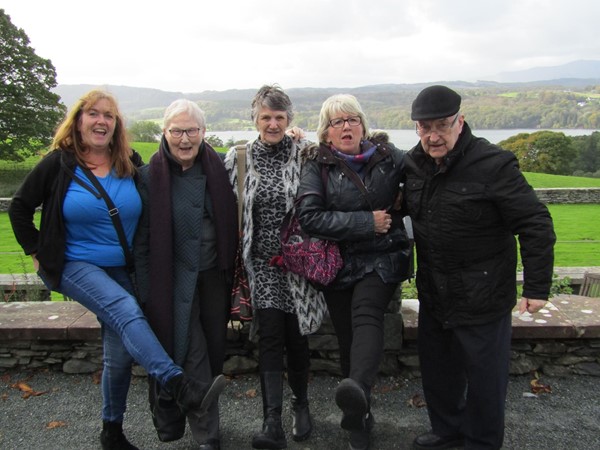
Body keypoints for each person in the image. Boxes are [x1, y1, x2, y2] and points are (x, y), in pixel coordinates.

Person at [8, 89, 226, 450]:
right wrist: (36, 250)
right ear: (78, 121)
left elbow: (154, 200)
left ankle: (112, 431)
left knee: (120, 351)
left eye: (108, 115)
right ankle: (178, 384)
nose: (101, 121)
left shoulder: (128, 161)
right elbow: (20, 207)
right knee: (126, 311)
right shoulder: (59, 163)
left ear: (116, 124)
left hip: (119, 266)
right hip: (75, 264)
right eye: (93, 113)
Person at [403, 85, 556, 450]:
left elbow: (535, 223)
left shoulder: (493, 164)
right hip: (436, 294)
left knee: (486, 382)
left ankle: (481, 442)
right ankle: (447, 432)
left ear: (461, 121)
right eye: (425, 128)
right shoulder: (413, 164)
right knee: (439, 374)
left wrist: (536, 287)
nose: (433, 136)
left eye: (442, 125)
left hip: (483, 296)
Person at [295, 94, 413, 450]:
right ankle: (359, 418)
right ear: (326, 131)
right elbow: (310, 216)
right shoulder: (318, 165)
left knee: (366, 316)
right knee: (349, 340)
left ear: (363, 125)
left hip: (381, 257)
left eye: (352, 119)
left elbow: (424, 178)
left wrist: (402, 204)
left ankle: (358, 391)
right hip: (337, 261)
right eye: (336, 121)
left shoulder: (389, 157)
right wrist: (367, 221)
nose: (345, 126)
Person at [224, 85, 325, 449]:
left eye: (279, 117)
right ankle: (272, 422)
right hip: (261, 265)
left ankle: (301, 406)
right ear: (254, 119)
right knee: (269, 336)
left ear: (289, 120)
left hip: (299, 264)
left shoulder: (306, 154)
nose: (272, 123)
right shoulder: (238, 157)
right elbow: (221, 204)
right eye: (265, 117)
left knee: (297, 340)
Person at [134, 99, 237, 450]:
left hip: (213, 278)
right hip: (172, 282)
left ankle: (187, 419)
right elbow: (143, 242)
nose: (184, 139)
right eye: (176, 130)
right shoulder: (149, 177)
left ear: (203, 133)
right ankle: (208, 434)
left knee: (212, 349)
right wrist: (148, 293)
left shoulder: (220, 167)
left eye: (191, 130)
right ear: (164, 132)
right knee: (191, 351)